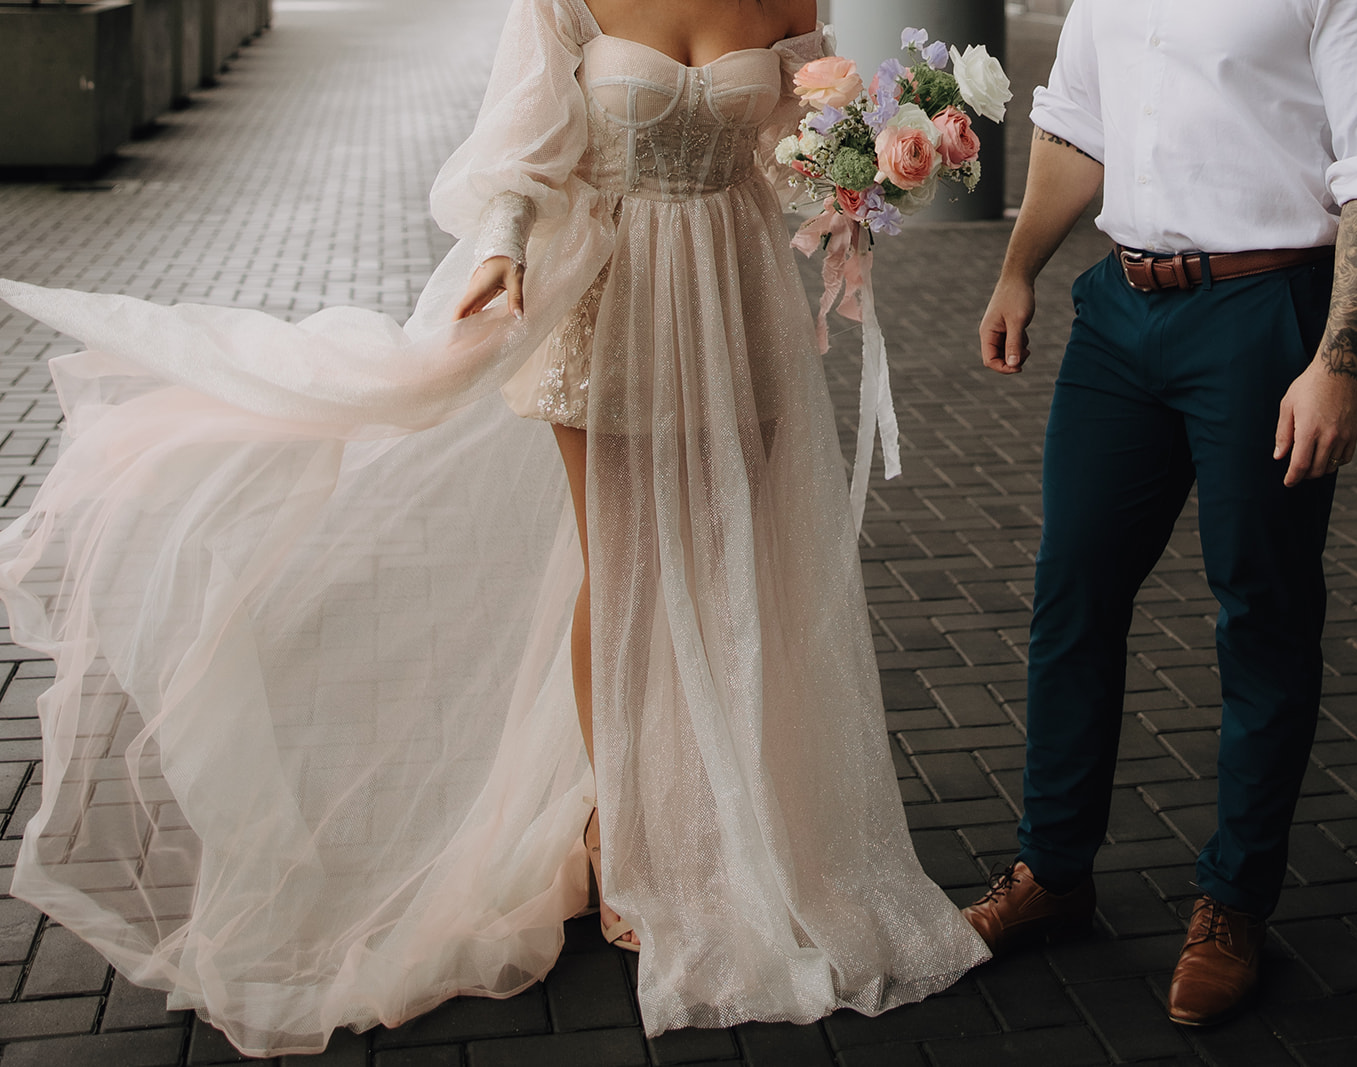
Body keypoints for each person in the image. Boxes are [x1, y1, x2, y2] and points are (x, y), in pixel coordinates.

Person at [0, 0, 987, 1055]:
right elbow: (524, 145)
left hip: (737, 300)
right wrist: (505, 245)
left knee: (729, 561)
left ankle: (735, 808)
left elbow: (786, 145)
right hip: (608, 295)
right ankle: (619, 829)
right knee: (622, 567)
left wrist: (868, 169)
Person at [962, 0, 1357, 1027]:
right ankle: (1052, 867)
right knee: (1070, 591)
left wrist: (1336, 364)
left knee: (1260, 609)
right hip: (1120, 312)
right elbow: (1076, 126)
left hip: (1266, 315)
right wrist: (1017, 268)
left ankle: (1233, 898)